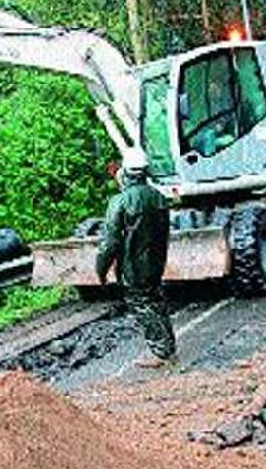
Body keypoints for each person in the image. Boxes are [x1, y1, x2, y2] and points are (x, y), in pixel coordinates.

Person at [96, 147, 178, 368]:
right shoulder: (159, 198)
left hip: (133, 265)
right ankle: (168, 346)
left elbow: (110, 243)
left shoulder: (120, 202)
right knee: (156, 300)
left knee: (142, 304)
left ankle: (160, 352)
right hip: (156, 261)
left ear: (126, 172)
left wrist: (101, 270)